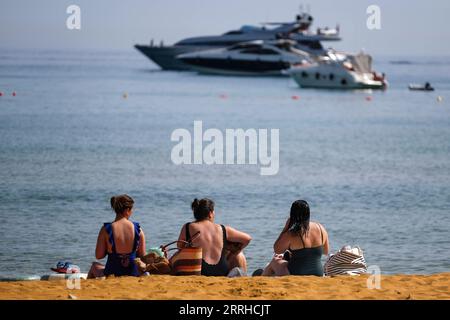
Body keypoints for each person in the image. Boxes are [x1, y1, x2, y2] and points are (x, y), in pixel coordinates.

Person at [176, 198, 252, 276]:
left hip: (199, 270)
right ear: (210, 213)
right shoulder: (223, 229)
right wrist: (232, 253)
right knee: (239, 255)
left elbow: (179, 247)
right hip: (220, 270)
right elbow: (247, 238)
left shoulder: (188, 227)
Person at [259, 200, 329, 277]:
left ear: (292, 215)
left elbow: (277, 250)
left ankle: (261, 279)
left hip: (295, 273)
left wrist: (286, 228)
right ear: (308, 213)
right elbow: (325, 251)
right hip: (318, 273)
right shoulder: (321, 228)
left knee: (274, 261)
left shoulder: (292, 234)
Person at [88, 194, 146, 278]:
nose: (132, 211)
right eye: (132, 209)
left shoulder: (106, 229)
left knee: (94, 266)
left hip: (112, 273)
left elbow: (99, 256)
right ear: (127, 210)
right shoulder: (138, 230)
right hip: (133, 273)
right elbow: (143, 256)